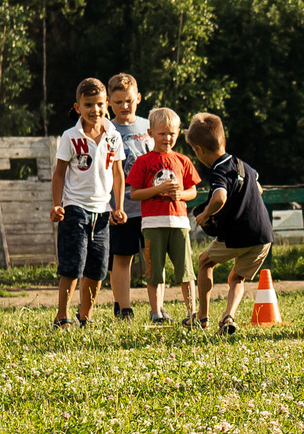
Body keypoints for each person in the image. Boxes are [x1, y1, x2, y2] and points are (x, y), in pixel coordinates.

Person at [186, 111, 273, 335]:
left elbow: (219, 198)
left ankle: (202, 318)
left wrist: (205, 214)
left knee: (205, 262)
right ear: (223, 140)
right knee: (237, 277)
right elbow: (259, 189)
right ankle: (228, 317)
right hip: (263, 236)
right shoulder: (244, 166)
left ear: (198, 150)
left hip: (238, 235)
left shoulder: (218, 171)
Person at [50, 77, 127, 328]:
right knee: (72, 266)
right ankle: (62, 317)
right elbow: (59, 173)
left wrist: (119, 207)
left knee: (97, 269)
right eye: (88, 105)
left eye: (100, 104)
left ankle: (85, 317)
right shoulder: (70, 137)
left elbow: (117, 173)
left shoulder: (114, 136)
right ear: (78, 107)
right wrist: (57, 203)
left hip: (103, 212)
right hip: (75, 210)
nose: (95, 110)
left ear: (106, 105)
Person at [125, 105, 200, 325]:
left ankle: (192, 312)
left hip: (179, 222)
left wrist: (180, 194)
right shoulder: (143, 162)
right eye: (162, 133)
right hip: (152, 224)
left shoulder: (183, 160)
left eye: (172, 133)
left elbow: (193, 190)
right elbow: (135, 193)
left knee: (186, 271)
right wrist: (158, 190)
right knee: (154, 272)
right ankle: (156, 313)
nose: (167, 138)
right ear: (150, 133)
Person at [103, 73, 151, 321]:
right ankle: (124, 307)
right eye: (118, 101)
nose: (124, 106)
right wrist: (110, 205)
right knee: (122, 258)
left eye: (129, 101)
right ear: (109, 102)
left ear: (139, 98)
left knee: (153, 257)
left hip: (151, 206)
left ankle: (157, 306)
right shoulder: (105, 129)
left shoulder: (149, 127)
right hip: (121, 207)